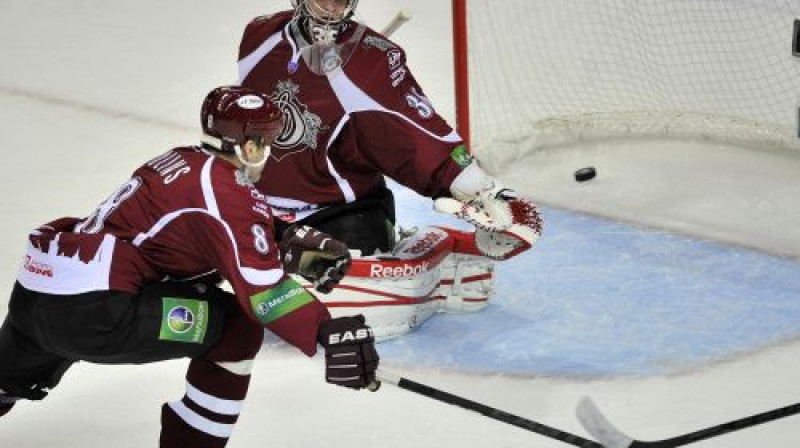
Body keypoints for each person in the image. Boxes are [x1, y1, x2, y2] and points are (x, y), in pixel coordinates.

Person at [0, 85, 379, 447]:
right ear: (249, 147)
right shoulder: (226, 192)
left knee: (7, 377)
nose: (268, 154)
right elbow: (264, 291)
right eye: (266, 144)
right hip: (98, 311)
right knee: (236, 327)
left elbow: (204, 228)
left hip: (35, 298)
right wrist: (327, 331)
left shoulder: (180, 159)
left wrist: (281, 237)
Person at [236, 1, 543, 337]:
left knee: (332, 291)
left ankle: (424, 269)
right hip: (257, 207)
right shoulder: (259, 35)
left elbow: (420, 137)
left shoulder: (372, 61)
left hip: (335, 213)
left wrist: (487, 193)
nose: (331, 8)